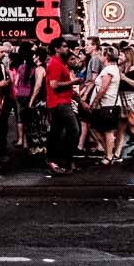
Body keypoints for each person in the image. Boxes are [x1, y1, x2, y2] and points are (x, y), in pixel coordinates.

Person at [44, 37, 80, 176]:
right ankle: (63, 159)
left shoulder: (58, 63)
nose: (67, 49)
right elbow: (54, 85)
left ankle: (58, 160)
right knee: (73, 131)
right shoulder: (55, 64)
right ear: (57, 49)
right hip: (59, 102)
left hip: (61, 102)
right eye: (64, 46)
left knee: (57, 132)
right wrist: (73, 82)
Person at [86, 45, 123, 164]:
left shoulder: (109, 70)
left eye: (102, 54)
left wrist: (95, 102)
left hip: (107, 104)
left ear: (106, 56)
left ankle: (109, 155)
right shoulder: (111, 68)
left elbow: (103, 88)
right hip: (107, 104)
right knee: (97, 128)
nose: (100, 56)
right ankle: (108, 153)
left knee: (107, 131)